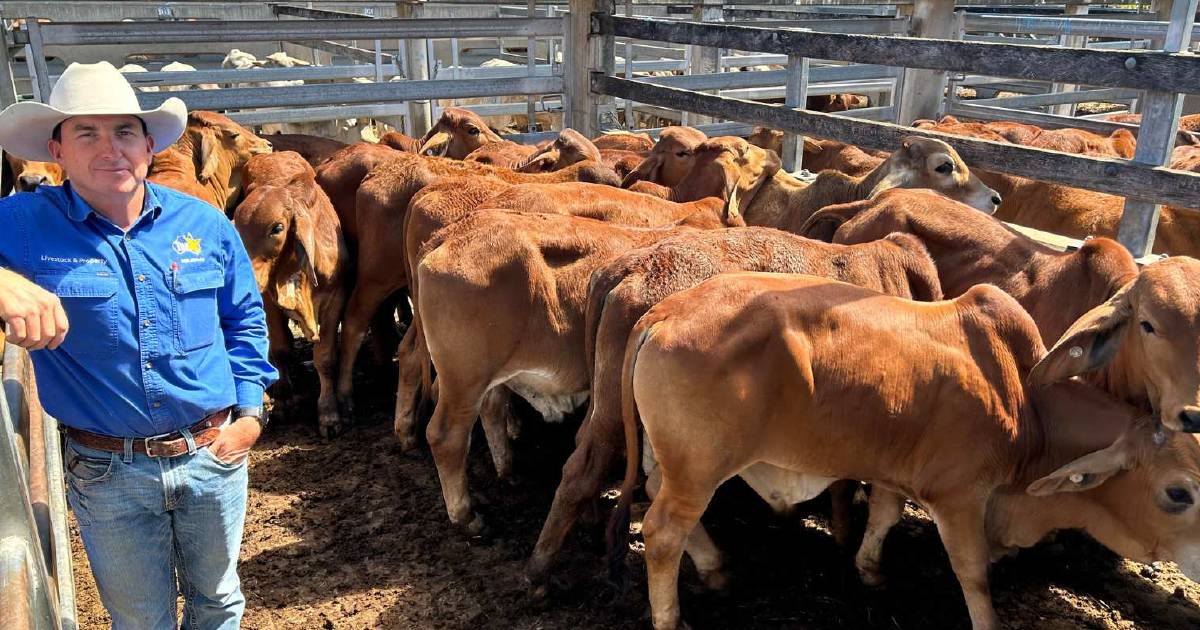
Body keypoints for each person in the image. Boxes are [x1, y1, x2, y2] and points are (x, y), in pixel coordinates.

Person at [0, 61, 277, 629]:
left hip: (212, 453)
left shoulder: (203, 222)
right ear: (57, 148)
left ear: (148, 144)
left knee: (219, 601)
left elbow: (245, 321)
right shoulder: (23, 223)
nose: (111, 149)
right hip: (107, 468)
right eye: (87, 133)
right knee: (140, 620)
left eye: (124, 131)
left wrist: (250, 413)